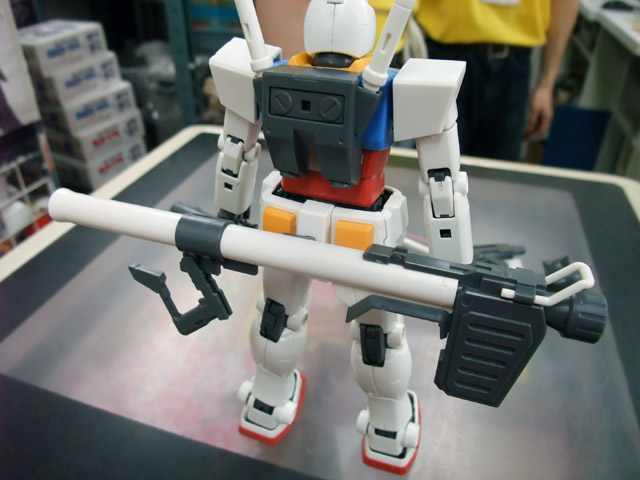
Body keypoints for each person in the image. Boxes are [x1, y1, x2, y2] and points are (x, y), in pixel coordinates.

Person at [416, 0, 580, 161]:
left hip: (513, 65)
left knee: (499, 168)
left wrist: (546, 84)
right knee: (435, 163)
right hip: (444, 56)